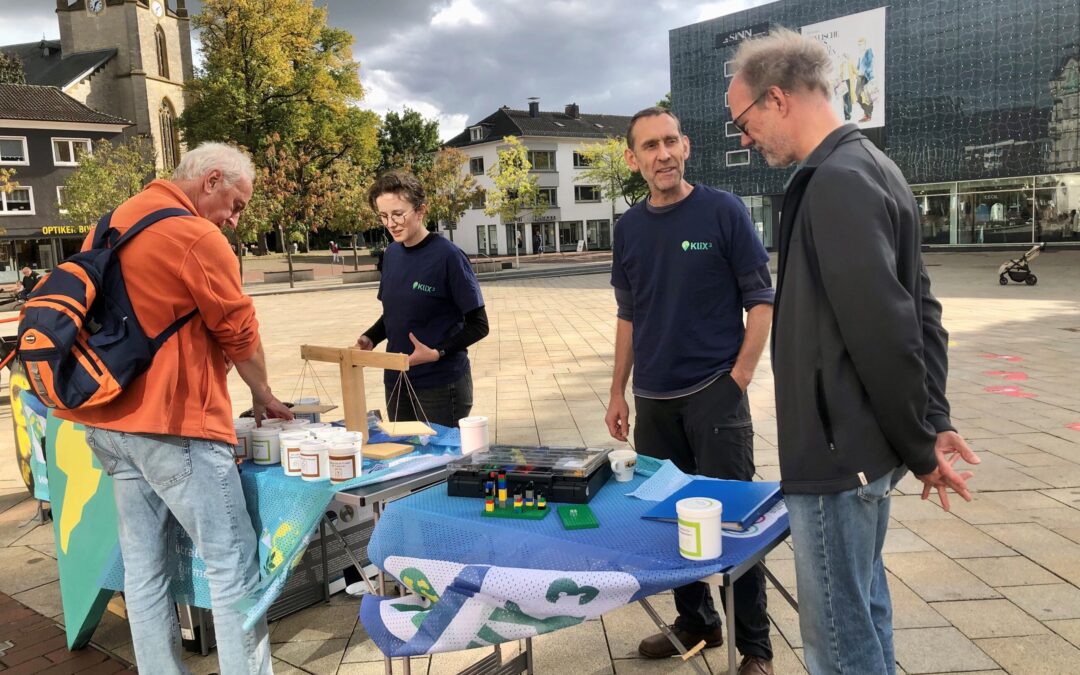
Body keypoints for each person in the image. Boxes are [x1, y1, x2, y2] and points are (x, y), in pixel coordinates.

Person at [729, 29, 979, 675]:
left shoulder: (836, 180)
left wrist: (924, 445)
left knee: (839, 646)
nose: (745, 139)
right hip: (859, 455)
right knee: (866, 613)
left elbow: (889, 330)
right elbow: (922, 309)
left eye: (744, 121)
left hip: (837, 462)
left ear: (776, 98)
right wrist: (936, 418)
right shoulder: (875, 166)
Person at [56, 142, 292, 673]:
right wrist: (263, 392)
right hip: (176, 427)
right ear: (211, 180)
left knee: (143, 570)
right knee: (233, 568)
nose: (233, 219)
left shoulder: (113, 221)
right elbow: (240, 333)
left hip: (108, 422)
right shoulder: (194, 235)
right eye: (236, 204)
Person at [605, 107, 775, 675]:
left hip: (714, 392)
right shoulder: (628, 227)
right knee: (669, 517)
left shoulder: (722, 211)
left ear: (687, 145)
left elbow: (761, 299)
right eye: (650, 146)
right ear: (633, 159)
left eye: (671, 141)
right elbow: (628, 316)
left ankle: (755, 648)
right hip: (654, 400)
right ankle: (696, 620)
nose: (663, 154)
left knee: (735, 520)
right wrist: (617, 392)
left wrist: (740, 378)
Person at [356, 170, 489, 427]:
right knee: (405, 458)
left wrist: (437, 352)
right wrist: (370, 337)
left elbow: (479, 325)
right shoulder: (391, 255)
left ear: (420, 211)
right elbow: (395, 314)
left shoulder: (448, 256)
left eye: (397, 214)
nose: (391, 223)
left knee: (439, 461)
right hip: (397, 378)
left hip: (440, 385)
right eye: (383, 216)